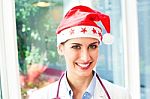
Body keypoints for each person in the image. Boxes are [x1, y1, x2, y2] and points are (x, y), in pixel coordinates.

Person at [29, 5, 131, 99]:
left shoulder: (121, 95)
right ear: (61, 49)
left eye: (92, 46)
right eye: (76, 47)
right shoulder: (40, 97)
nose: (85, 57)